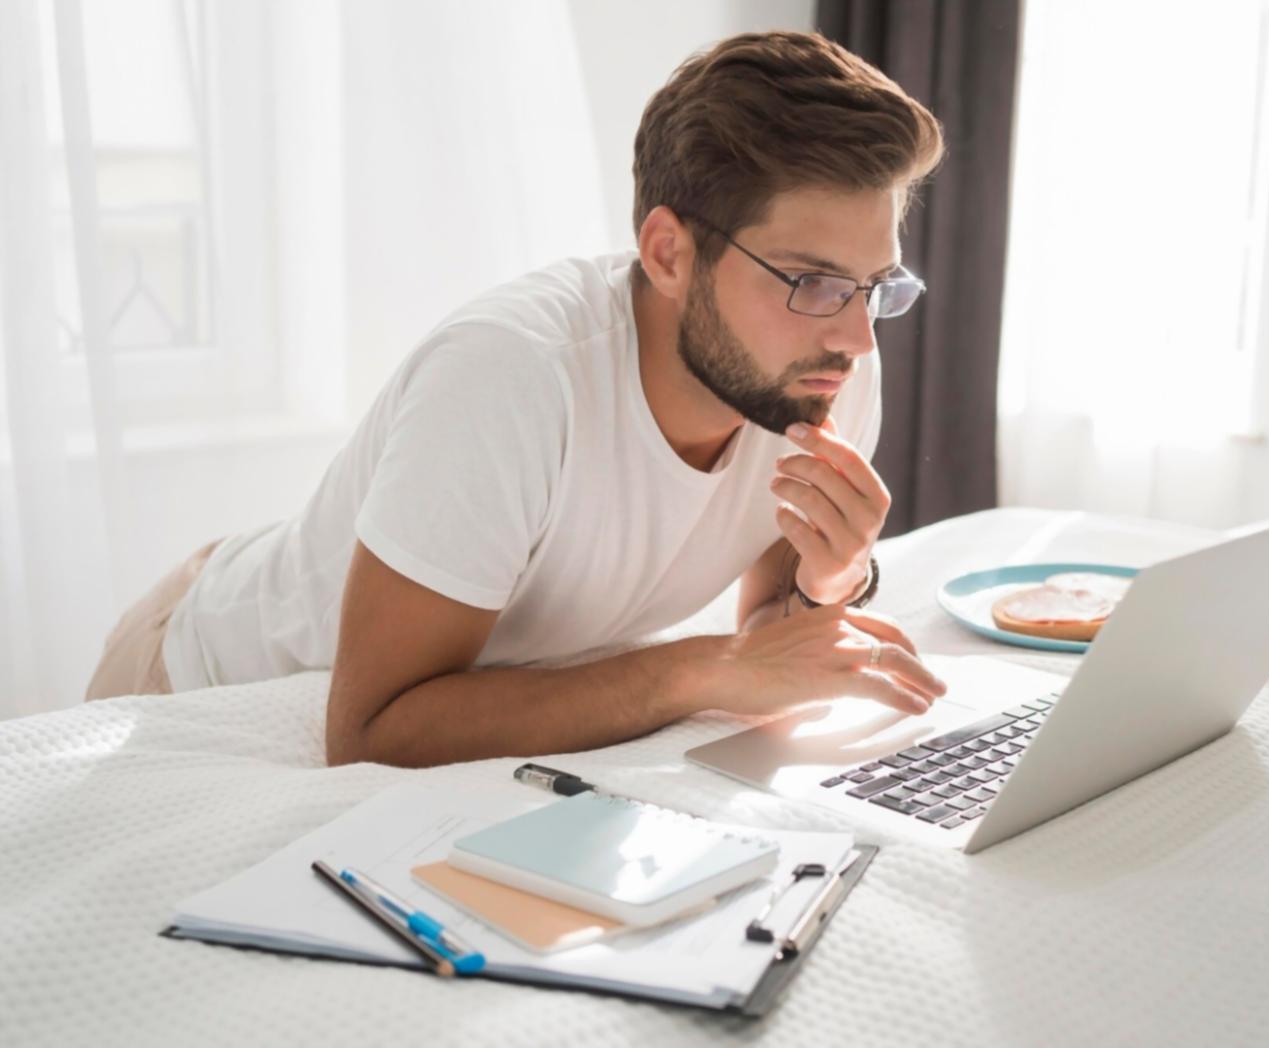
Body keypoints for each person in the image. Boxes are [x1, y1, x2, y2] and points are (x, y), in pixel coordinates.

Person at [85, 30, 950, 768]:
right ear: (668, 254)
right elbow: (372, 729)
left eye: (876, 286)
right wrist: (699, 668)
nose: (857, 337)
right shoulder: (510, 378)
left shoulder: (819, 364)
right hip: (205, 678)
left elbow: (768, 632)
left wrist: (832, 580)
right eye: (809, 281)